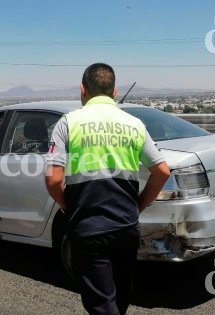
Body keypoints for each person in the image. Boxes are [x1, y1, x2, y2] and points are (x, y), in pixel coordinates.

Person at [45, 63, 171, 315]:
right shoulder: (134, 124)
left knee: (101, 305)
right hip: (126, 226)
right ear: (115, 91)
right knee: (120, 299)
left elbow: (52, 179)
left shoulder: (68, 123)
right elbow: (162, 171)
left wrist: (68, 205)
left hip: (88, 227)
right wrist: (139, 205)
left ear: (83, 90)